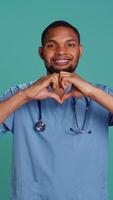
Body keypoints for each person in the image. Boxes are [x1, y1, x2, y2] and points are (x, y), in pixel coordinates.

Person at [0, 20, 113, 200]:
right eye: (52, 45)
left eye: (70, 44)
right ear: (41, 52)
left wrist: (91, 91)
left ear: (80, 51)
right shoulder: (17, 94)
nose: (61, 51)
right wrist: (26, 95)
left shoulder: (102, 95)